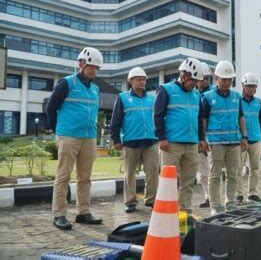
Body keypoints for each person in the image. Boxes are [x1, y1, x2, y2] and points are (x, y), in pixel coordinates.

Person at [46, 47, 104, 230]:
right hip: (68, 136)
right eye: (91, 66)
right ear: (81, 64)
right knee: (63, 176)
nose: (94, 70)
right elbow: (51, 108)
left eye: (96, 67)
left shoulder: (95, 88)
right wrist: (58, 131)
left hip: (89, 137)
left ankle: (83, 212)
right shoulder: (66, 83)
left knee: (85, 178)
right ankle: (59, 214)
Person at [154, 58, 207, 219]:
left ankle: (185, 211)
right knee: (168, 181)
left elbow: (198, 119)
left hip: (191, 144)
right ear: (183, 75)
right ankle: (166, 211)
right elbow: (157, 115)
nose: (195, 85)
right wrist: (161, 138)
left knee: (188, 180)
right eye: (193, 81)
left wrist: (201, 138)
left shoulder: (196, 94)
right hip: (171, 144)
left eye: (197, 81)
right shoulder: (166, 90)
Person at [110, 67, 159, 213]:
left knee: (153, 172)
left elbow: (158, 118)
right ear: (130, 81)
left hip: (151, 141)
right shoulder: (123, 98)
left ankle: (151, 200)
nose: (142, 81)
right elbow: (116, 120)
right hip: (131, 142)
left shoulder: (152, 98)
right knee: (129, 173)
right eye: (139, 79)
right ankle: (130, 202)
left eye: (144, 79)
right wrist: (116, 139)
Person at [202, 61, 248, 215]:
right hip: (215, 142)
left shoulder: (236, 96)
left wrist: (244, 137)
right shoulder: (207, 97)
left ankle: (231, 203)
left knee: (233, 174)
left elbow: (241, 117)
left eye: (230, 79)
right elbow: (204, 119)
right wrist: (204, 139)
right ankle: (215, 205)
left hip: (234, 141)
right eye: (224, 79)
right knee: (214, 175)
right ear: (216, 79)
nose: (227, 82)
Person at [236, 72, 261, 203]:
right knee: (238, 168)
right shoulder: (237, 100)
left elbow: (260, 120)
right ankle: (238, 194)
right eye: (250, 86)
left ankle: (252, 193)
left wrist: (258, 134)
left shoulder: (259, 102)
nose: (252, 89)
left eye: (254, 86)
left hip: (255, 139)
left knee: (255, 168)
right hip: (241, 140)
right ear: (243, 86)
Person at [197, 62, 214, 208]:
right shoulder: (190, 93)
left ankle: (211, 196)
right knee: (202, 170)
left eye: (207, 78)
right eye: (202, 78)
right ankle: (207, 195)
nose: (205, 81)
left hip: (210, 137)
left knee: (209, 168)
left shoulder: (213, 93)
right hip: (192, 137)